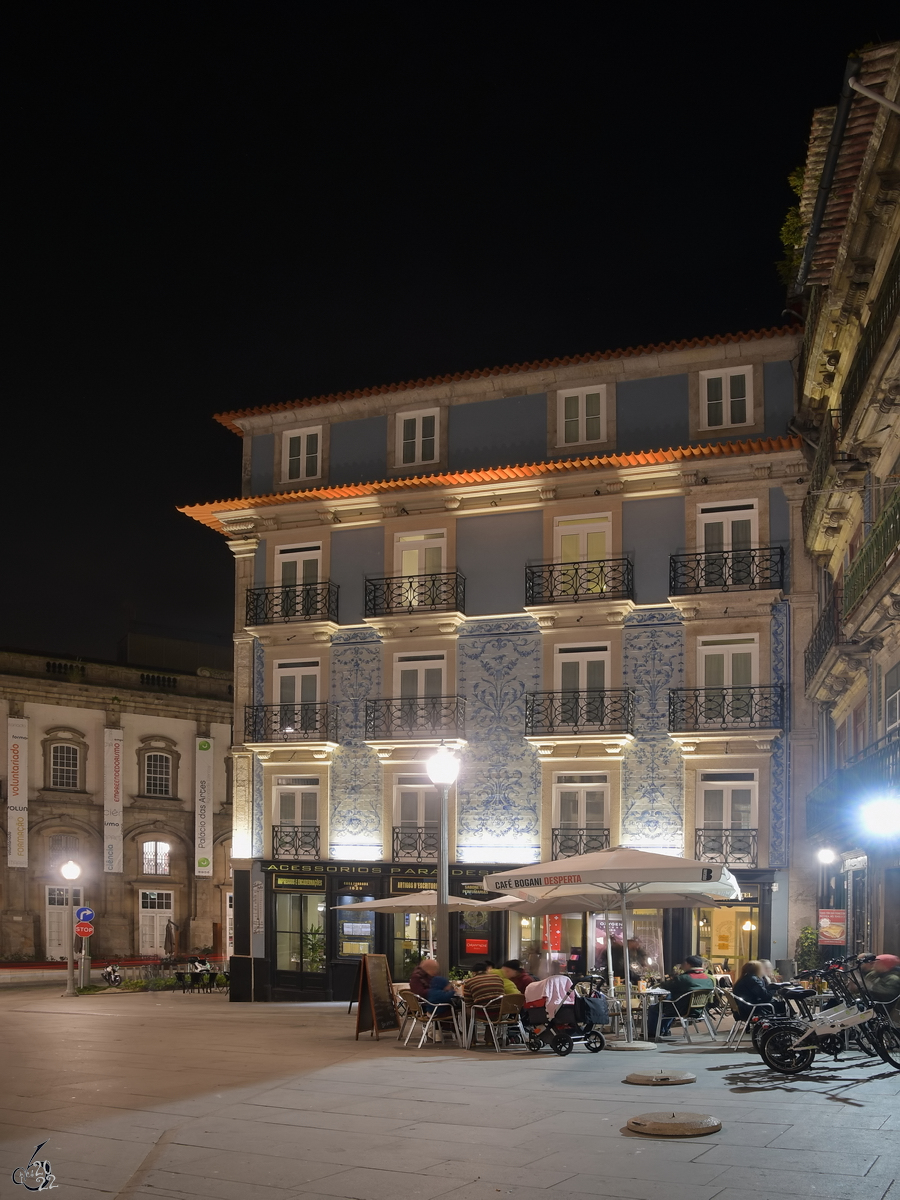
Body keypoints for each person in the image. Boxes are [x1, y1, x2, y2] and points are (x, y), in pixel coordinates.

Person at [647, 955, 713, 1039]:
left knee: (654, 1008)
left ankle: (653, 1033)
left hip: (681, 1008)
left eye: (684, 963)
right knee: (669, 1001)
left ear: (689, 964)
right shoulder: (708, 979)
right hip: (700, 1009)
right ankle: (664, 1030)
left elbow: (667, 986)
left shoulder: (684, 978)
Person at [462, 962, 507, 1044]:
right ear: (487, 970)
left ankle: (471, 1040)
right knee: (492, 1007)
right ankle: (489, 1039)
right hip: (501, 1013)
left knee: (466, 1011)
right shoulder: (498, 978)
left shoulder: (469, 982)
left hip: (484, 1013)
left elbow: (468, 1002)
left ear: (473, 973)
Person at [865, 954, 900, 1021]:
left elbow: (888, 994)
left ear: (885, 965)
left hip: (881, 1009)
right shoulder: (876, 975)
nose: (874, 964)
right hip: (873, 1005)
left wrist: (869, 986)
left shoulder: (893, 978)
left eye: (877, 963)